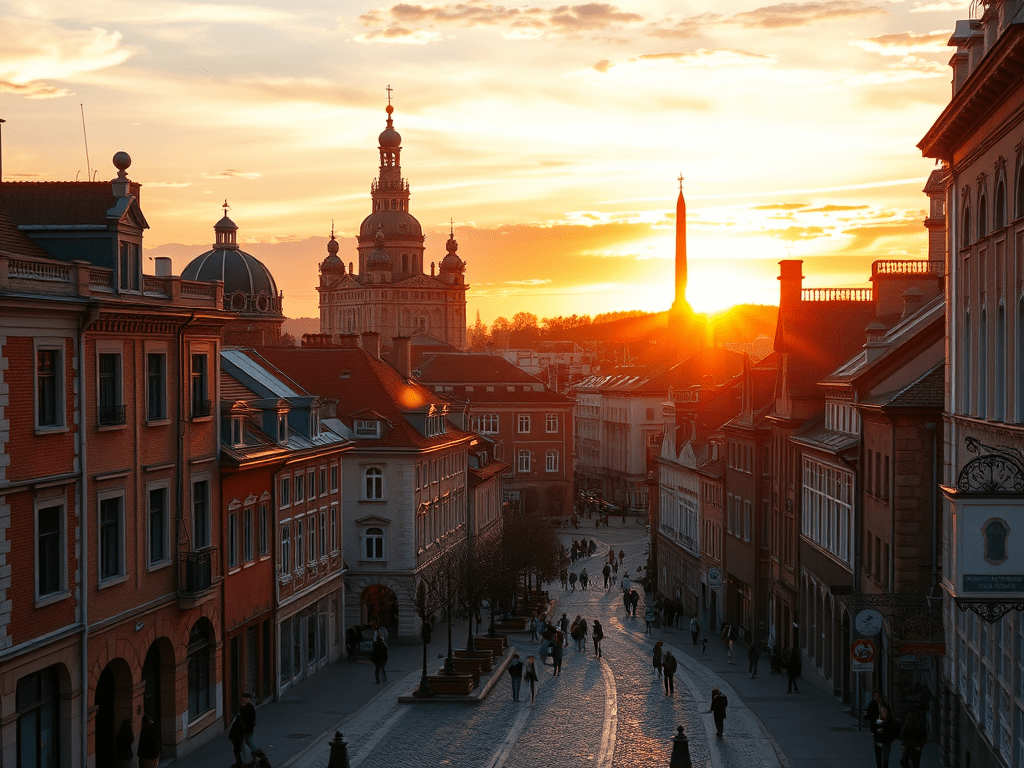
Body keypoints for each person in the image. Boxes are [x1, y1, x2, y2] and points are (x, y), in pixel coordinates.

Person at [240, 691, 259, 760]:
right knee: (247, 739)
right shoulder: (248, 706)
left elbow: (246, 717)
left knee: (248, 739)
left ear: (247, 699)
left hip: (248, 727)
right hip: (249, 726)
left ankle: (255, 751)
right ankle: (254, 750)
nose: (242, 700)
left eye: (244, 699)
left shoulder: (248, 707)